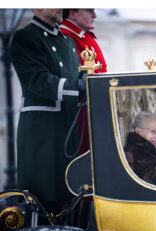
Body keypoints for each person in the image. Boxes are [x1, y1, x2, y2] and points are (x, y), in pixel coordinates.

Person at [10, 9, 84, 219]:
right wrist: (78, 86)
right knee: (41, 197)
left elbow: (76, 76)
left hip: (69, 126)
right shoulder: (26, 37)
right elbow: (37, 80)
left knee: (68, 193)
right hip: (42, 131)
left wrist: (87, 81)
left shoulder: (67, 41)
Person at [60, 8, 107, 154]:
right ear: (72, 13)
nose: (94, 15)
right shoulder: (66, 36)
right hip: (79, 110)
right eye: (89, 10)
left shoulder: (84, 36)